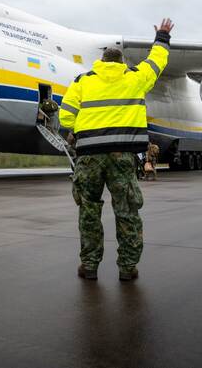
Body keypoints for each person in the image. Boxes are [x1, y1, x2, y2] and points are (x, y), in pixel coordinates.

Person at [60, 18, 173, 281]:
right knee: (127, 212)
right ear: (122, 63)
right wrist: (162, 38)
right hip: (122, 157)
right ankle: (127, 268)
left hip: (88, 158)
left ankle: (89, 266)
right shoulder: (134, 78)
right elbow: (157, 63)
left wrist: (84, 128)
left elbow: (65, 118)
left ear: (100, 62)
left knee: (89, 212)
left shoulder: (82, 82)